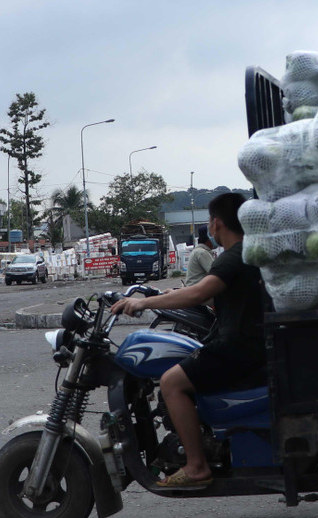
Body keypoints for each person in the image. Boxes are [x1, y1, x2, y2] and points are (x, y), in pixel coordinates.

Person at [110, 193, 268, 490]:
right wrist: (164, 293)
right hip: (243, 344)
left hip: (237, 348)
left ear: (217, 223)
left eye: (210, 221)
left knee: (171, 382)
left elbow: (199, 293)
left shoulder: (235, 256)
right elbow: (210, 294)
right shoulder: (245, 253)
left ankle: (196, 466)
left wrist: (145, 303)